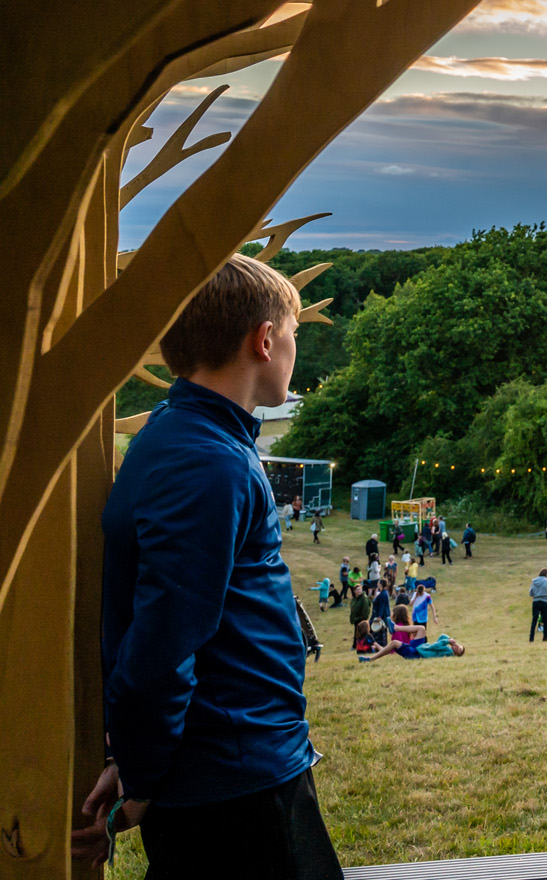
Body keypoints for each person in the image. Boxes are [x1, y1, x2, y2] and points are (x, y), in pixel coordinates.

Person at [74, 254, 346, 879]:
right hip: (234, 778)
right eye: (295, 335)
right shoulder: (205, 462)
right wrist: (141, 773)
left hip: (234, 765)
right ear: (265, 338)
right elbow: (163, 643)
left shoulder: (185, 435)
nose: (294, 350)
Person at [361, 633, 466, 663]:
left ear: (457, 654)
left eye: (459, 650)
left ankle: (371, 659)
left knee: (394, 643)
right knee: (393, 644)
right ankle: (374, 654)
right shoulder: (447, 648)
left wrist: (448, 641)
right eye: (458, 646)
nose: (457, 647)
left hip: (416, 654)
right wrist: (449, 639)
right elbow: (441, 637)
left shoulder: (448, 652)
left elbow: (435, 645)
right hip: (416, 651)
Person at [529, 567, 547, 643]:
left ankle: (531, 637)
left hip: (535, 601)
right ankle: (545, 636)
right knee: (545, 620)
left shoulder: (534, 581)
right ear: (546, 574)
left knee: (534, 620)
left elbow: (530, 592)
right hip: (544, 601)